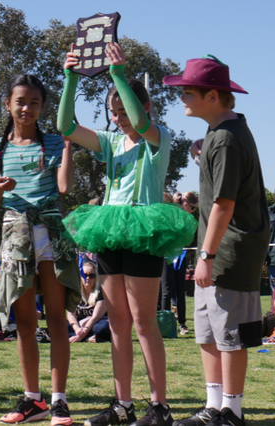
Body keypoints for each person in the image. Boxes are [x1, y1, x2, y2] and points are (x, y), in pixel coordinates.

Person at [58, 42, 196, 426]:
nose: (118, 118)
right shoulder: (110, 142)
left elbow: (141, 125)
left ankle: (159, 406)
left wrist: (118, 75)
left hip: (145, 229)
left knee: (143, 320)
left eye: (124, 110)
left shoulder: (159, 137)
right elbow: (65, 127)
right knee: (117, 321)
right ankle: (122, 405)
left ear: (144, 107)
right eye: (113, 112)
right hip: (109, 229)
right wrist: (70, 78)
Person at [163, 55, 269, 426]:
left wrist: (205, 254)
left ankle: (232, 412)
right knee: (208, 332)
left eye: (188, 92)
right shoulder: (219, 133)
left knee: (230, 337)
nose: (182, 99)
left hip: (229, 251)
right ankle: (214, 406)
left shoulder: (225, 138)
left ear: (212, 95)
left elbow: (225, 204)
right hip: (218, 250)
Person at [0, 73, 80, 426]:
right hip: (15, 234)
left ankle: (59, 401)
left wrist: (68, 147)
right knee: (24, 321)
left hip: (51, 233)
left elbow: (64, 187)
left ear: (42, 107)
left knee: (55, 318)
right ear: (7, 104)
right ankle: (31, 400)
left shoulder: (54, 143)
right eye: (20, 101)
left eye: (34, 102)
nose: (27, 108)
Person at [161, 192, 198, 335]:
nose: (193, 211)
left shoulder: (186, 217)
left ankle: (182, 323)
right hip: (165, 254)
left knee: (180, 290)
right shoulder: (168, 212)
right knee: (166, 289)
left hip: (180, 255)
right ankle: (165, 323)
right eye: (192, 207)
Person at [67, 258, 110, 343]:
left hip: (96, 324)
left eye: (91, 275)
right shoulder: (75, 292)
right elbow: (71, 315)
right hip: (79, 325)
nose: (88, 278)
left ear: (96, 277)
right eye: (84, 275)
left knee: (103, 327)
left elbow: (95, 317)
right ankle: (90, 338)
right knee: (60, 325)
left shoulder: (102, 292)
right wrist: (77, 329)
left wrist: (84, 331)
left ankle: (80, 337)